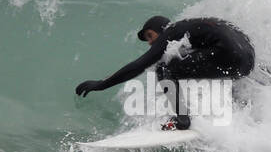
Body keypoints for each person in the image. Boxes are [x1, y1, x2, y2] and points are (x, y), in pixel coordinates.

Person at [75, 15, 255, 129]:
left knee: (164, 68)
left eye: (150, 36)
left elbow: (139, 65)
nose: (150, 43)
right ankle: (240, 108)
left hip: (227, 53)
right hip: (248, 60)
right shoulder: (193, 28)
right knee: (207, 68)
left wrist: (101, 84)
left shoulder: (171, 31)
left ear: (161, 30)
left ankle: (182, 119)